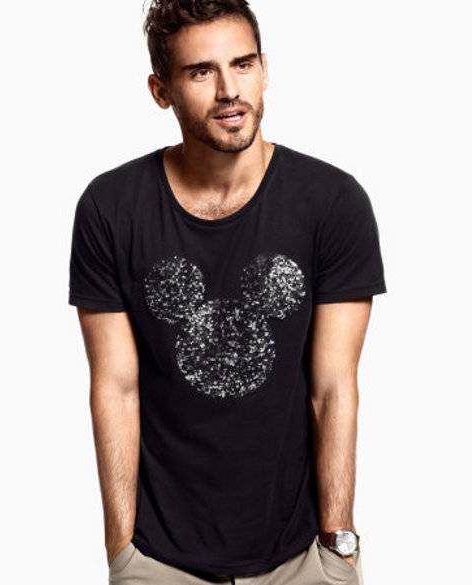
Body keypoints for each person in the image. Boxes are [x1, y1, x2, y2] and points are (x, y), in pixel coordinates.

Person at [68, 1, 387, 583]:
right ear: (160, 91)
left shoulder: (332, 202)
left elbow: (334, 389)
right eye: (201, 71)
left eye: (242, 64)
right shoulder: (111, 208)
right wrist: (121, 550)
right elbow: (115, 388)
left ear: (265, 68)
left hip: (301, 557)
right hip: (158, 560)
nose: (228, 91)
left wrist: (338, 546)